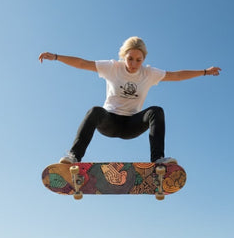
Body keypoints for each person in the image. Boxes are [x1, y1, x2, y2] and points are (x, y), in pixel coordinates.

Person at [39, 36, 221, 164]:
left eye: (138, 60)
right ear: (123, 56)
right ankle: (73, 156)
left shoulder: (149, 73)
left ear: (144, 59)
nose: (133, 64)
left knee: (156, 111)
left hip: (131, 125)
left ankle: (158, 160)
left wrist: (204, 71)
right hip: (109, 121)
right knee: (95, 110)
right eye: (130, 59)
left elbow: (177, 76)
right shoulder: (112, 67)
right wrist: (56, 57)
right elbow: (82, 63)